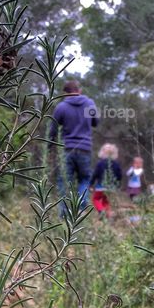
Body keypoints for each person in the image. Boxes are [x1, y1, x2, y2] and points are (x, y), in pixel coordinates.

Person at [48, 79, 98, 212]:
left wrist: (49, 147)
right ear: (79, 91)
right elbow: (95, 122)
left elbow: (53, 129)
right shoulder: (89, 104)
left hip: (67, 149)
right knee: (84, 179)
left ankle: (64, 213)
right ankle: (80, 211)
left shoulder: (61, 107)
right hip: (85, 148)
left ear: (65, 93)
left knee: (64, 180)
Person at [90, 143, 122, 217]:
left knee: (96, 199)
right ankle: (107, 215)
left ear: (102, 152)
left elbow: (95, 174)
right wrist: (118, 184)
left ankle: (101, 211)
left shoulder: (100, 163)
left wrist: (91, 184)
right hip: (111, 187)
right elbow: (119, 175)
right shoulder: (116, 164)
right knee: (106, 201)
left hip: (100, 186)